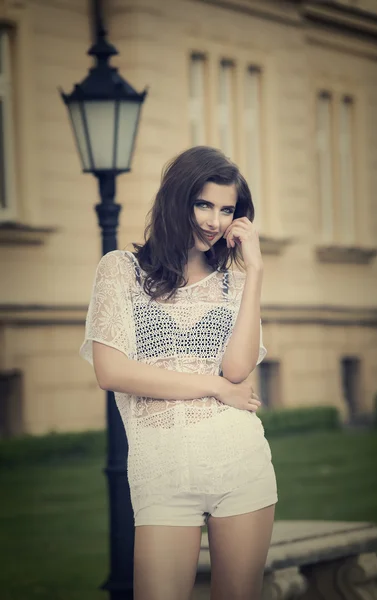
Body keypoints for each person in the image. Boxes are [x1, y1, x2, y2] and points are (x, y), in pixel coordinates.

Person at [80, 146, 278, 600]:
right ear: (177, 200)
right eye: (203, 204)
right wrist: (212, 387)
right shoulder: (120, 271)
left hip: (238, 463)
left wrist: (257, 272)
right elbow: (111, 371)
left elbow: (238, 368)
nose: (215, 221)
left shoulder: (236, 284)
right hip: (161, 469)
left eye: (227, 210)